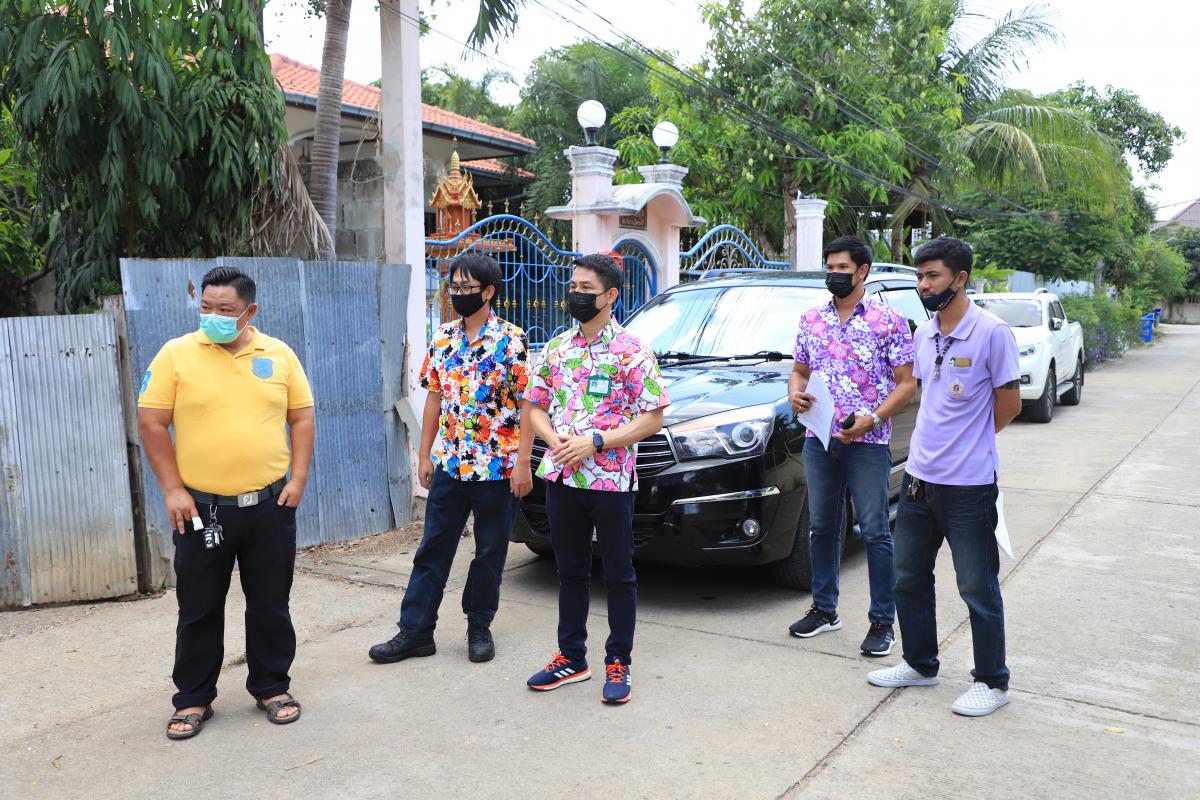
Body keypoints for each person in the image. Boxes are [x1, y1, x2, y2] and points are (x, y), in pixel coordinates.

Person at [138, 267, 315, 740]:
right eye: (206, 307)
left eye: (225, 310)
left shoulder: (278, 355)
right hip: (201, 509)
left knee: (270, 602)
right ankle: (193, 697)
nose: (212, 316)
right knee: (198, 607)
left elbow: (301, 417)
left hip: (270, 505)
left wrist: (298, 478)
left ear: (249, 311)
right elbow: (151, 423)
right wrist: (173, 490)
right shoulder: (176, 355)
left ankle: (272, 687)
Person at [866, 236, 1022, 717]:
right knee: (908, 577)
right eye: (920, 276)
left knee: (977, 586)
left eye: (932, 276)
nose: (923, 285)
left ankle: (992, 681)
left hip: (969, 486)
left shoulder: (992, 333)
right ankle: (920, 663)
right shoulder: (925, 333)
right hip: (918, 479)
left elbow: (1009, 405)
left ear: (960, 278)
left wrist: (969, 443)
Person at [368, 254, 532, 666]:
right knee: (432, 548)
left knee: (489, 552)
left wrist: (523, 463)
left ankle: (479, 626)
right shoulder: (442, 338)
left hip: (498, 468)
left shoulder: (512, 340)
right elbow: (434, 399)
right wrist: (424, 454)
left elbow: (529, 405)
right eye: (453, 287)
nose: (457, 294)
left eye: (466, 288)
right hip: (452, 465)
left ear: (488, 292)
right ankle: (415, 631)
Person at [521, 252, 669, 705]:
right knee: (569, 571)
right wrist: (553, 439)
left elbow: (653, 418)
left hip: (610, 482)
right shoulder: (557, 347)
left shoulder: (632, 350)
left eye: (587, 289)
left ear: (610, 296)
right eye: (574, 286)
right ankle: (571, 657)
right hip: (562, 479)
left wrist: (597, 442)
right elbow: (534, 405)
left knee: (619, 574)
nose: (576, 295)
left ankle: (618, 661)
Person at [788, 236, 916, 657]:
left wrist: (872, 420)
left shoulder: (888, 320)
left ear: (863, 271)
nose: (834, 274)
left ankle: (882, 622)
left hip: (869, 442)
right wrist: (794, 394)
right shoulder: (812, 319)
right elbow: (799, 371)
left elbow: (906, 384)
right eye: (830, 267)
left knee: (876, 531)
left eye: (842, 268)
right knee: (822, 527)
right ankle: (824, 610)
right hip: (819, 438)